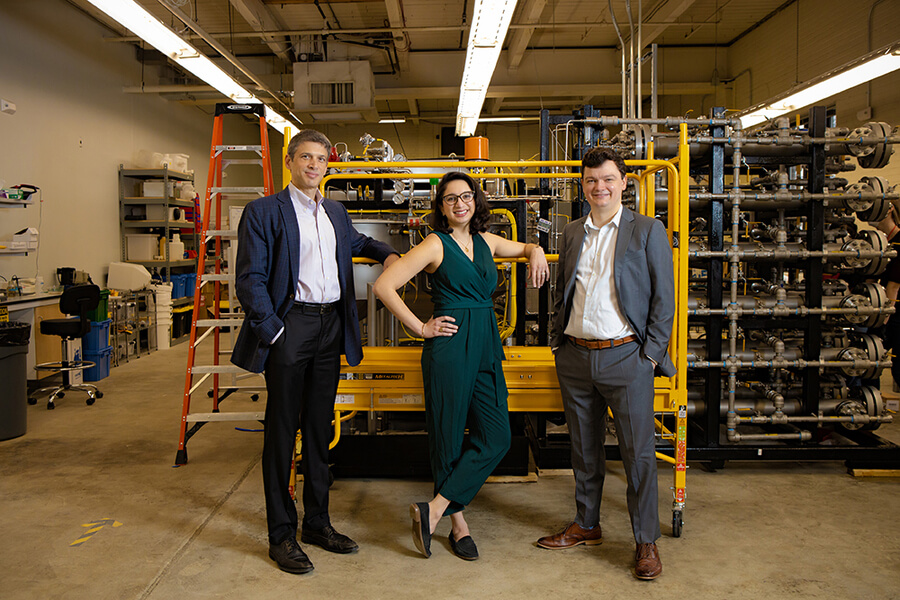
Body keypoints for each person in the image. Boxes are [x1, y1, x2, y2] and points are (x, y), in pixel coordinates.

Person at [232, 129, 399, 575]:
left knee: (320, 429)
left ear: (328, 166)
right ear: (290, 161)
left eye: (321, 159)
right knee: (283, 433)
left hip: (331, 326)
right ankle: (281, 534)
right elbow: (249, 279)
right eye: (305, 157)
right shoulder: (264, 211)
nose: (313, 165)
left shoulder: (336, 213)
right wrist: (274, 332)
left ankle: (317, 523)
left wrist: (388, 254)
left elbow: (359, 244)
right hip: (292, 326)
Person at [373, 171, 549, 561]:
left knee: (497, 435)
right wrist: (420, 327)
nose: (459, 204)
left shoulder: (487, 241)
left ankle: (432, 509)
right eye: (450, 199)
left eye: (465, 196)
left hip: (486, 340)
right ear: (441, 207)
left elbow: (523, 248)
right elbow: (383, 285)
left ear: (476, 201)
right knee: (448, 435)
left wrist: (535, 250)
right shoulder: (435, 244)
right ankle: (458, 524)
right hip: (449, 344)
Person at [536, 147, 675, 581]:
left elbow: (664, 300)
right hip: (576, 357)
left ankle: (645, 541)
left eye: (608, 179)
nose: (601, 187)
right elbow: (564, 290)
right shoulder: (572, 231)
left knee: (639, 456)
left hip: (627, 357)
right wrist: (560, 344)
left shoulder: (647, 230)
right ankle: (587, 524)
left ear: (623, 183)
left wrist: (650, 356)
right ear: (583, 186)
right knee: (584, 451)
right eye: (592, 180)